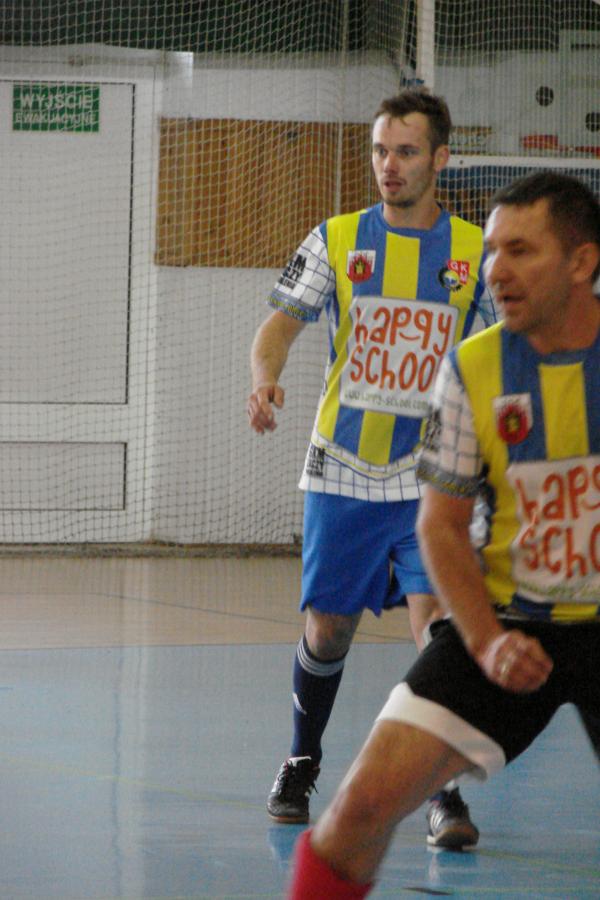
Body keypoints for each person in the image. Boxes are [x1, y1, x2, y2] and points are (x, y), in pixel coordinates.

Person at [286, 170, 600, 899]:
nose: (496, 271)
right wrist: (487, 641)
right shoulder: (470, 368)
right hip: (507, 623)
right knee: (355, 813)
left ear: (582, 262)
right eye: (491, 251)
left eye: (521, 251)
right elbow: (441, 525)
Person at [247, 88, 497, 848]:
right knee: (328, 631)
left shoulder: (474, 254)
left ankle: (442, 791)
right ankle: (301, 760)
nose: (389, 165)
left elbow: (502, 353)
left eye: (407, 151)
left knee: (438, 631)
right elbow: (278, 328)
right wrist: (264, 377)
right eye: (381, 150)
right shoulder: (337, 239)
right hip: (343, 467)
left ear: (440, 158)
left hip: (435, 475)